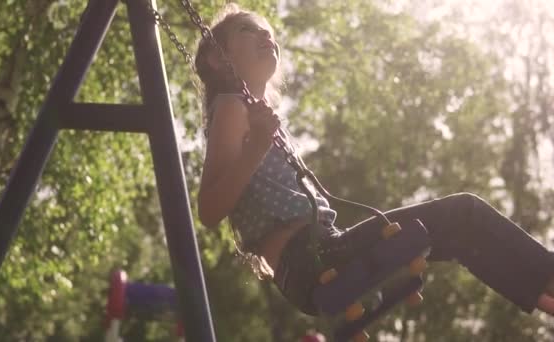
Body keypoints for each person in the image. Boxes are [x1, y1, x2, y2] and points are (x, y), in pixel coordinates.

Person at [195, 3, 554, 317]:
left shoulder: (259, 116)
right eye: (248, 29)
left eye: (268, 31)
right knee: (464, 212)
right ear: (216, 56)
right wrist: (257, 144)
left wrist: (261, 139)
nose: (265, 36)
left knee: (460, 237)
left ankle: (543, 295)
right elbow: (210, 209)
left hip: (320, 257)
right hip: (314, 258)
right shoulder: (230, 107)